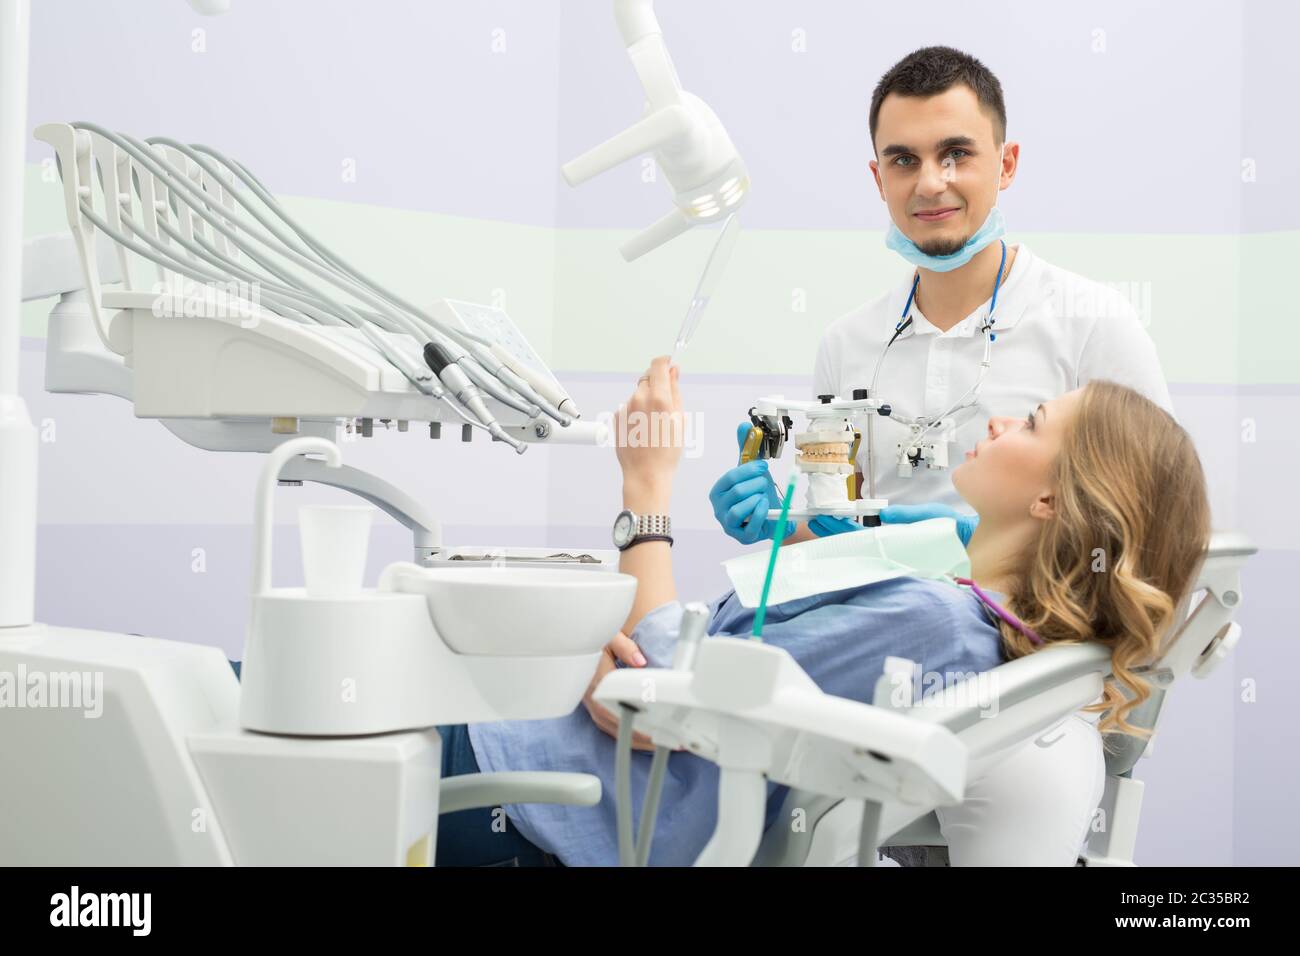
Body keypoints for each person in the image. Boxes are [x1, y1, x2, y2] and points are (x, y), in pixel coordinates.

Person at [433, 356, 1211, 867]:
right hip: (557, 769)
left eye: (1034, 423)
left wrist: (646, 489)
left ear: (1050, 499)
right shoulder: (961, 614)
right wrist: (811, 538)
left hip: (537, 800)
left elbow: (660, 691)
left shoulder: (939, 626)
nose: (1002, 423)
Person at [710, 46, 1172, 548]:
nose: (931, 183)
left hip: (1026, 624)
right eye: (904, 160)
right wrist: (782, 523)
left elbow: (1157, 528)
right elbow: (846, 539)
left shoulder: (1093, 324)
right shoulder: (847, 344)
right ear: (879, 178)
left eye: (956, 154)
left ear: (1006, 164)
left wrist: (983, 544)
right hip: (884, 619)